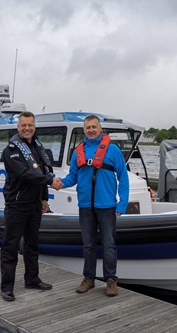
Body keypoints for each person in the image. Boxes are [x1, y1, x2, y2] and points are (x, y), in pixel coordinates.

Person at [53, 114, 129, 297]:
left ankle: (111, 280)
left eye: (94, 127)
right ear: (84, 130)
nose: (91, 130)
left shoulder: (112, 150)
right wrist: (59, 183)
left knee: (109, 245)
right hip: (86, 205)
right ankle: (89, 278)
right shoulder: (78, 151)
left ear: (100, 128)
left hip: (107, 205)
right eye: (88, 127)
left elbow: (123, 177)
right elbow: (72, 177)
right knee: (88, 245)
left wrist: (122, 203)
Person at [0, 111, 61, 302]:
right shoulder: (11, 150)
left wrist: (44, 197)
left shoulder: (37, 146)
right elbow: (26, 174)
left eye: (30, 125)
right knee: (10, 246)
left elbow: (41, 172)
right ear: (18, 127)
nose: (27, 128)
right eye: (23, 125)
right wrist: (51, 182)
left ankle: (32, 279)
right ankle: (7, 287)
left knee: (32, 244)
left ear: (35, 127)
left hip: (35, 204)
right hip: (17, 204)